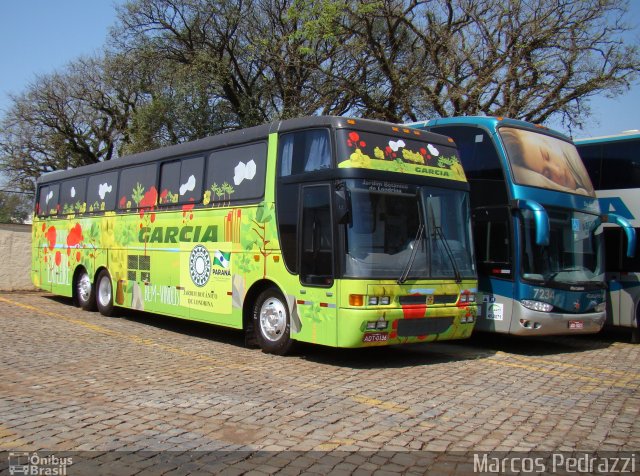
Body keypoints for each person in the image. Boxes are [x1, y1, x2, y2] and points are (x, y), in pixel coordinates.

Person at [501, 127, 594, 196]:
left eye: (547, 156)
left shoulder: (570, 155)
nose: (557, 171)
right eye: (547, 174)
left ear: (547, 143)